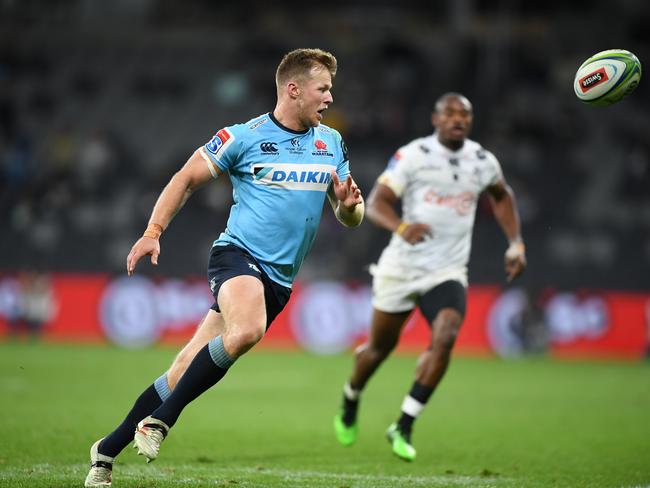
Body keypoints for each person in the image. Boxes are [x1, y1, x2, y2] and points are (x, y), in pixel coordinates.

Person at [84, 48, 364, 487]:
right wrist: (153, 230)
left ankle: (106, 450)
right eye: (323, 88)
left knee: (182, 370)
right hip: (236, 256)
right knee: (248, 329)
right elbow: (185, 179)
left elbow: (350, 215)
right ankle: (159, 422)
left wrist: (349, 209)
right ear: (294, 89)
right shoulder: (241, 137)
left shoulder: (332, 144)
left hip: (278, 279)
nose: (330, 98)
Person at [333, 93, 526, 462]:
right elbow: (375, 203)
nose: (458, 119)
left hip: (447, 270)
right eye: (450, 113)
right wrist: (401, 226)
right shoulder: (413, 156)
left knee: (446, 337)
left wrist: (515, 243)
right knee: (378, 350)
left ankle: (403, 424)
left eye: (464, 114)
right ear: (435, 119)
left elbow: (502, 196)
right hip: (402, 269)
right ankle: (351, 395)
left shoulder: (482, 161)